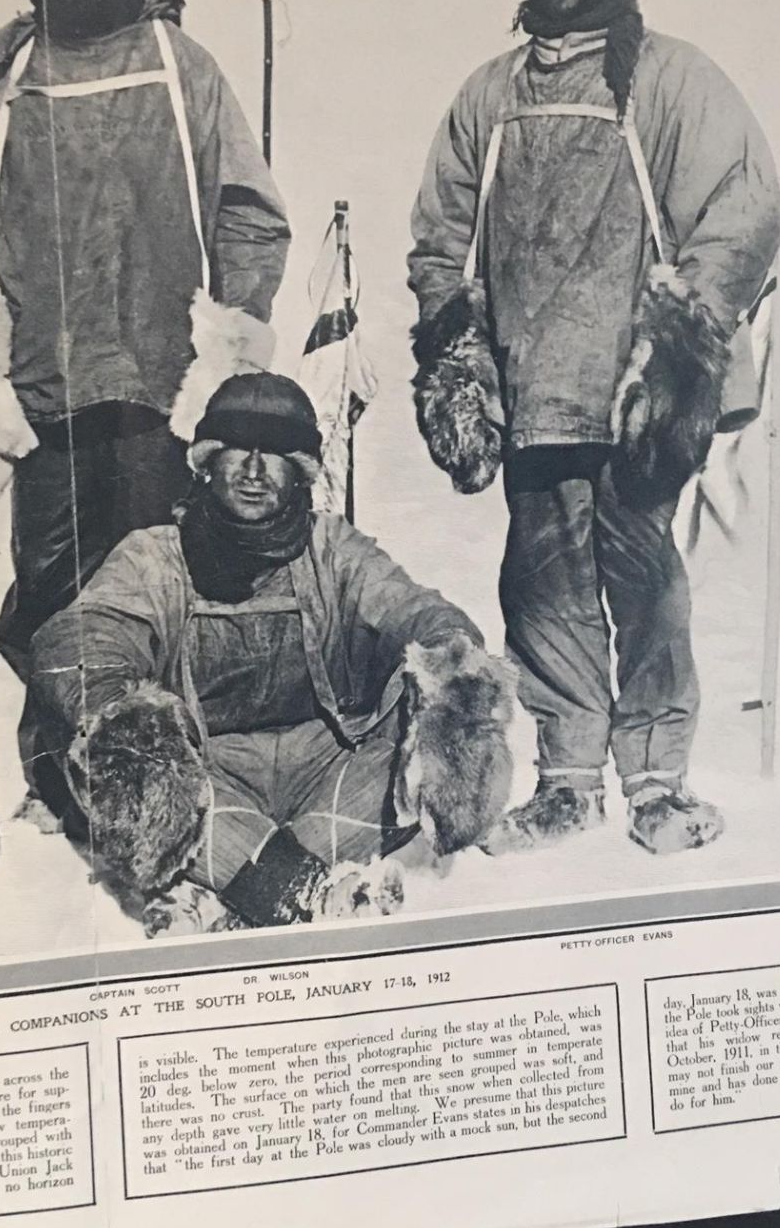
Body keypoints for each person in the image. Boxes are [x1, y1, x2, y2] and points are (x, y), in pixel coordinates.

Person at [408, 0, 780, 858]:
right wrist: (453, 349)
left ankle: (657, 780)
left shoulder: (670, 79)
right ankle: (569, 777)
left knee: (641, 570)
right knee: (541, 580)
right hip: (531, 388)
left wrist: (682, 331)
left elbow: (744, 209)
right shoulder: (491, 95)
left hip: (634, 393)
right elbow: (440, 237)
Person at [0, 0, 290, 804]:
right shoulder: (11, 80)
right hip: (47, 390)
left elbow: (248, 210)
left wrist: (228, 348)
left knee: (164, 580)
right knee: (51, 589)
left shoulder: (177, 63)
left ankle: (169, 768)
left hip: (161, 385)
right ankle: (58, 776)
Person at [30, 373, 515, 933]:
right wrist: (121, 711)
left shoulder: (333, 547)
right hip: (207, 777)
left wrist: (453, 676)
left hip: (327, 767)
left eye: (277, 454)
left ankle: (230, 891)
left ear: (301, 472)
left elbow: (417, 610)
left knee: (413, 740)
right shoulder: (154, 555)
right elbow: (85, 634)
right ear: (208, 462)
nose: (255, 471)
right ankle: (306, 892)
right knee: (128, 768)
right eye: (238, 449)